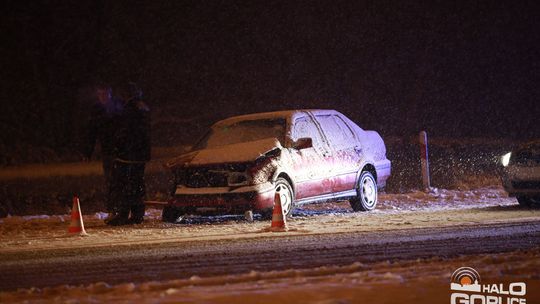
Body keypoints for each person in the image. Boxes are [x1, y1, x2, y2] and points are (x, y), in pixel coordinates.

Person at [106, 82, 151, 226]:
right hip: (139, 154)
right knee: (136, 184)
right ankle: (137, 214)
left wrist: (119, 146)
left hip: (128, 155)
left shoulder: (129, 110)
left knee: (125, 184)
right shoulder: (142, 108)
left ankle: (124, 214)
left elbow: (125, 132)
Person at [82, 84, 123, 218]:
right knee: (110, 179)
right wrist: (87, 151)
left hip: (121, 150)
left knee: (121, 179)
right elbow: (91, 132)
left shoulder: (119, 107)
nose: (103, 97)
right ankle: (113, 208)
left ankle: (121, 207)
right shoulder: (97, 110)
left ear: (110, 93)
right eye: (100, 94)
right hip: (108, 150)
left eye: (105, 94)